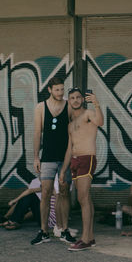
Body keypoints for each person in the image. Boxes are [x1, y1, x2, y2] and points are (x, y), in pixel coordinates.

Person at [31, 77, 75, 245]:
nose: (60, 93)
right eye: (57, 90)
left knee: (64, 193)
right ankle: (43, 232)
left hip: (64, 158)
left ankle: (64, 230)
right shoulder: (40, 107)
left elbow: (73, 132)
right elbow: (37, 133)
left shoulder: (69, 106)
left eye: (62, 89)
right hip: (47, 157)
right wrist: (36, 157)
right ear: (49, 89)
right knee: (46, 193)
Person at [59, 87, 103, 251]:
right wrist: (63, 170)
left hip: (87, 158)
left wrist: (97, 103)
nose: (76, 100)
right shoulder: (70, 124)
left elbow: (100, 122)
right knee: (85, 199)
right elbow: (69, 149)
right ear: (69, 101)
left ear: (82, 99)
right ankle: (90, 237)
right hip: (75, 162)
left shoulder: (88, 114)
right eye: (72, 98)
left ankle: (84, 238)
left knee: (82, 198)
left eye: (78, 97)